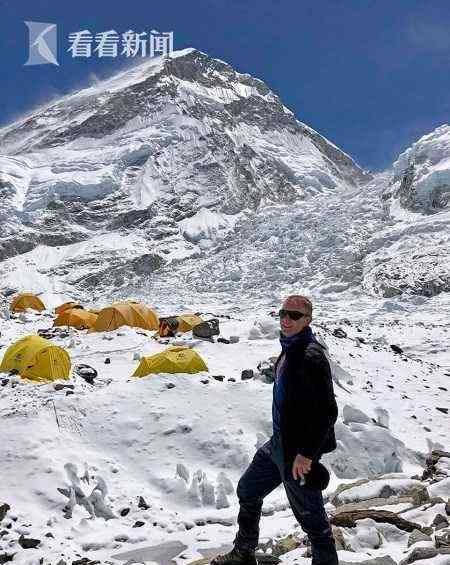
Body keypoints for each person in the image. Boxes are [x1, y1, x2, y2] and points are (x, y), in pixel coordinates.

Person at [212, 295, 339, 565]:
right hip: (278, 445)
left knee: (314, 523)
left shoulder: (310, 356)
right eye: (283, 313)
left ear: (308, 320)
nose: (286, 319)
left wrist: (306, 455)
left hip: (297, 455)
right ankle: (244, 552)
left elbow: (327, 412)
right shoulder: (290, 348)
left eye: (294, 315)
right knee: (247, 490)